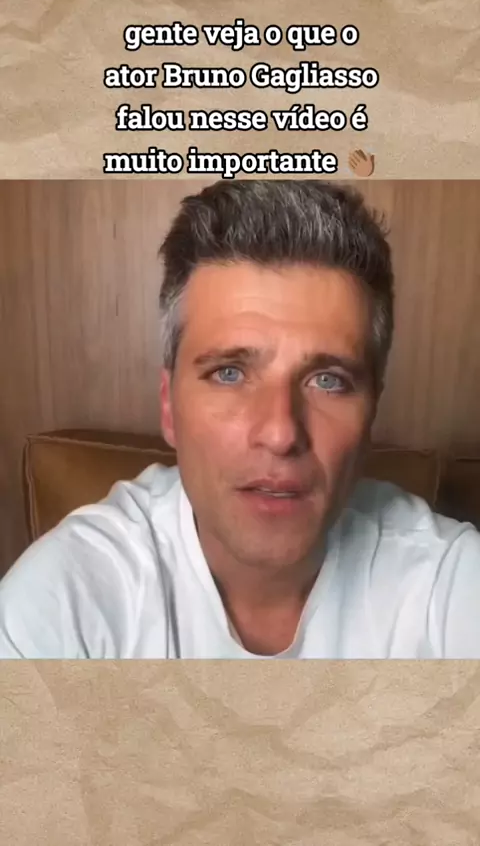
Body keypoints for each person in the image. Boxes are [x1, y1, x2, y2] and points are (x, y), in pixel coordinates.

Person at [1, 180, 479, 659]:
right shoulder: (65, 601)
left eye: (328, 381)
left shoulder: (448, 584)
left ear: (371, 410)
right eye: (228, 373)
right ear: (168, 406)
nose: (280, 433)